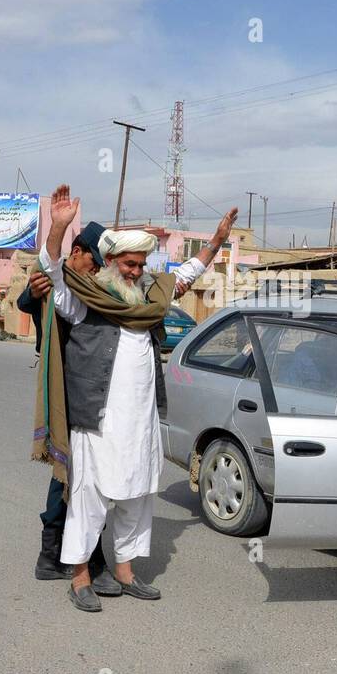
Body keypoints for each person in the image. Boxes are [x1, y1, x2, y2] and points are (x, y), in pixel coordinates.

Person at [39, 184, 237, 612]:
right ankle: (79, 578)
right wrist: (57, 229)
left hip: (142, 419)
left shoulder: (151, 295)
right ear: (110, 262)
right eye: (129, 264)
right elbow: (54, 270)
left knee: (136, 494)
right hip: (98, 418)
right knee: (89, 497)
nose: (135, 271)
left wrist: (218, 241)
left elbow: (187, 273)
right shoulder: (83, 299)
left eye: (141, 264)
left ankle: (126, 573)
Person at [18, 220, 118, 592]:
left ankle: (68, 554)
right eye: (95, 263)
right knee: (70, 467)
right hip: (65, 387)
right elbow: (34, 296)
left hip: (92, 390)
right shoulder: (60, 281)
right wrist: (31, 290)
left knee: (86, 471)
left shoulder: (98, 289)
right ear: (76, 254)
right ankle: (62, 554)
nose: (98, 271)